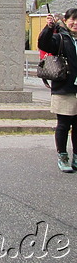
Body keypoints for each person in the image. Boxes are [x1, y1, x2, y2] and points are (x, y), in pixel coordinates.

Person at [38, 10, 77, 173]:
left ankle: (76, 157)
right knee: (63, 125)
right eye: (73, 20)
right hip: (64, 88)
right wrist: (49, 27)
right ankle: (62, 156)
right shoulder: (60, 37)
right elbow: (43, 44)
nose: (75, 23)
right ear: (66, 20)